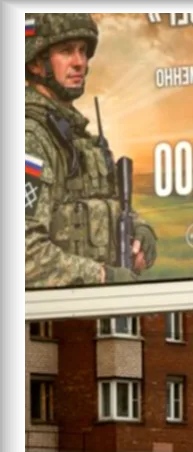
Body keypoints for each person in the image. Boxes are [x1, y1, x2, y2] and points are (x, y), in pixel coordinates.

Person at [25, 12, 157, 289]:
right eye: (66, 51)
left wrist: (139, 229)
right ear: (36, 63)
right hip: (50, 311)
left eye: (83, 51)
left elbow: (100, 205)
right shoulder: (32, 138)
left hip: (87, 306)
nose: (80, 63)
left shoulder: (76, 136)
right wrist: (102, 277)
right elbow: (28, 254)